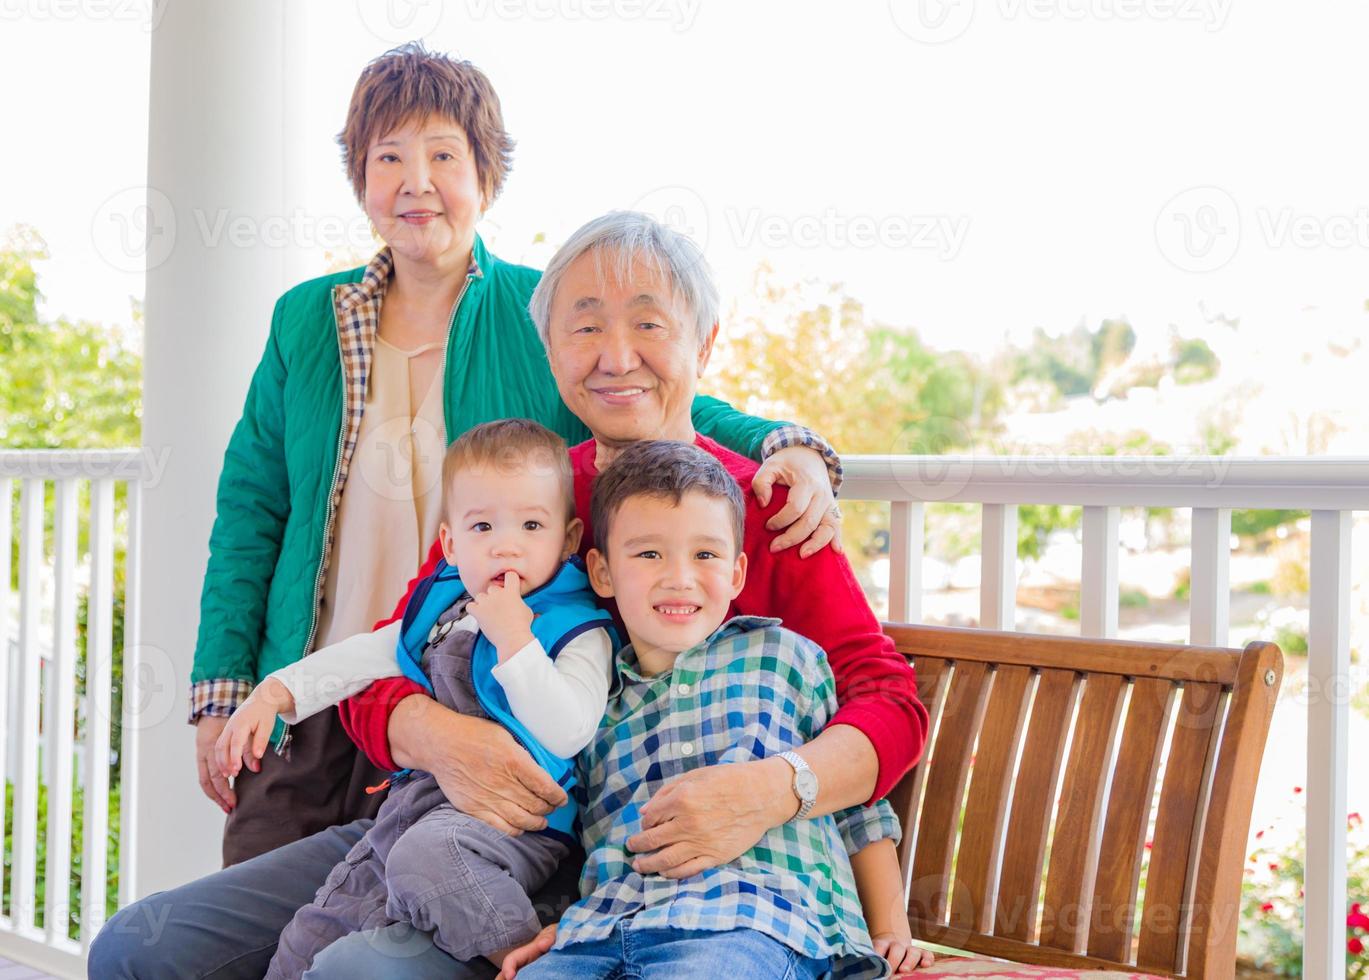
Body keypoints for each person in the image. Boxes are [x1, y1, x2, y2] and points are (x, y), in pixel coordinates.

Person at [90, 213, 916, 980]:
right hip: (427, 816)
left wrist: (772, 789)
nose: (616, 355)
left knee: (355, 971)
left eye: (648, 323)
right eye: (585, 325)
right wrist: (436, 733)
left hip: (580, 867)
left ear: (704, 341)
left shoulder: (760, 509)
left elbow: (886, 700)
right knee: (135, 948)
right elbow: (392, 653)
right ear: (550, 351)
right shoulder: (525, 492)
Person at [188, 40, 844, 869]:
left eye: (442, 155)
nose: (414, 182)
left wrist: (787, 446)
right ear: (360, 178)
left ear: (486, 177)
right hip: (318, 679)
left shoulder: (537, 313)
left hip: (466, 682)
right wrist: (221, 691)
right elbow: (251, 508)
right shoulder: (305, 319)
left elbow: (649, 394)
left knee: (396, 906)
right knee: (256, 907)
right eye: (387, 156)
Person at [499, 440, 933, 978]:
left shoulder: (785, 659)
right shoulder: (591, 700)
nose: (679, 577)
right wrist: (563, 923)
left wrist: (891, 929)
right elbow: (586, 838)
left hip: (751, 920)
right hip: (602, 930)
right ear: (602, 572)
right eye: (648, 553)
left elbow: (858, 808)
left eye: (705, 554)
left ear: (736, 573)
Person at [214, 420, 617, 977]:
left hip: (514, 827)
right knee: (312, 932)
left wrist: (516, 641)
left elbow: (570, 729)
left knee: (426, 858)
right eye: (482, 526)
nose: (506, 545)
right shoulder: (445, 610)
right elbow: (366, 656)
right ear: (451, 544)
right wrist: (275, 693)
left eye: (531, 524)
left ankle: (527, 958)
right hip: (413, 810)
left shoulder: (578, 628)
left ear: (568, 539)